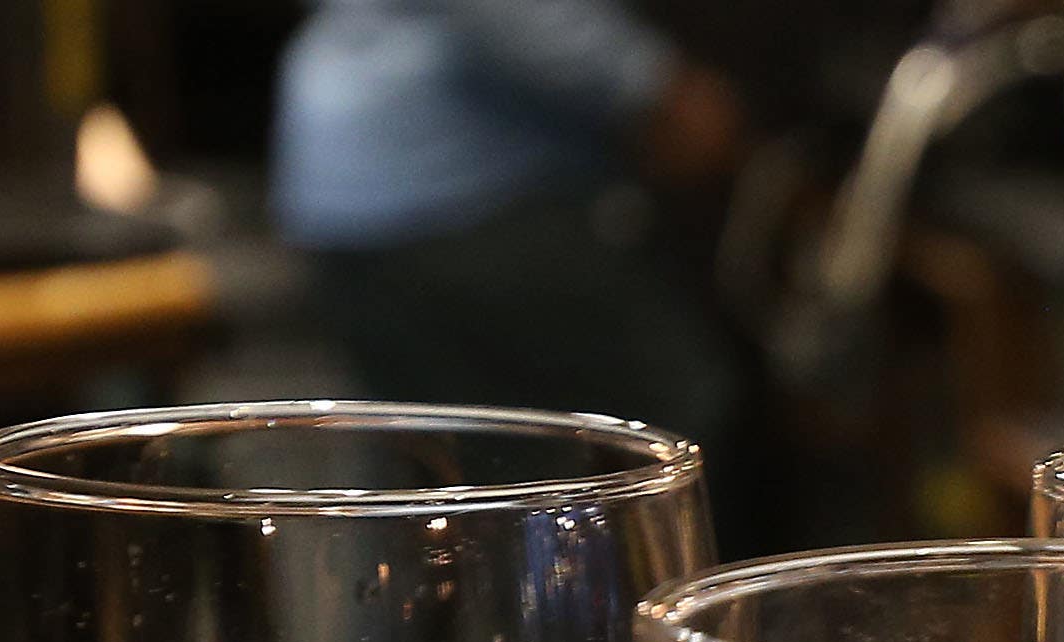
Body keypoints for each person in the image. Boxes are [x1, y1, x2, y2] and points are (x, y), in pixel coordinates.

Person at [274, 0, 753, 460]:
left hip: (350, 182)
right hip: (457, 190)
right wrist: (655, 84)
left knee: (430, 457)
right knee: (664, 425)